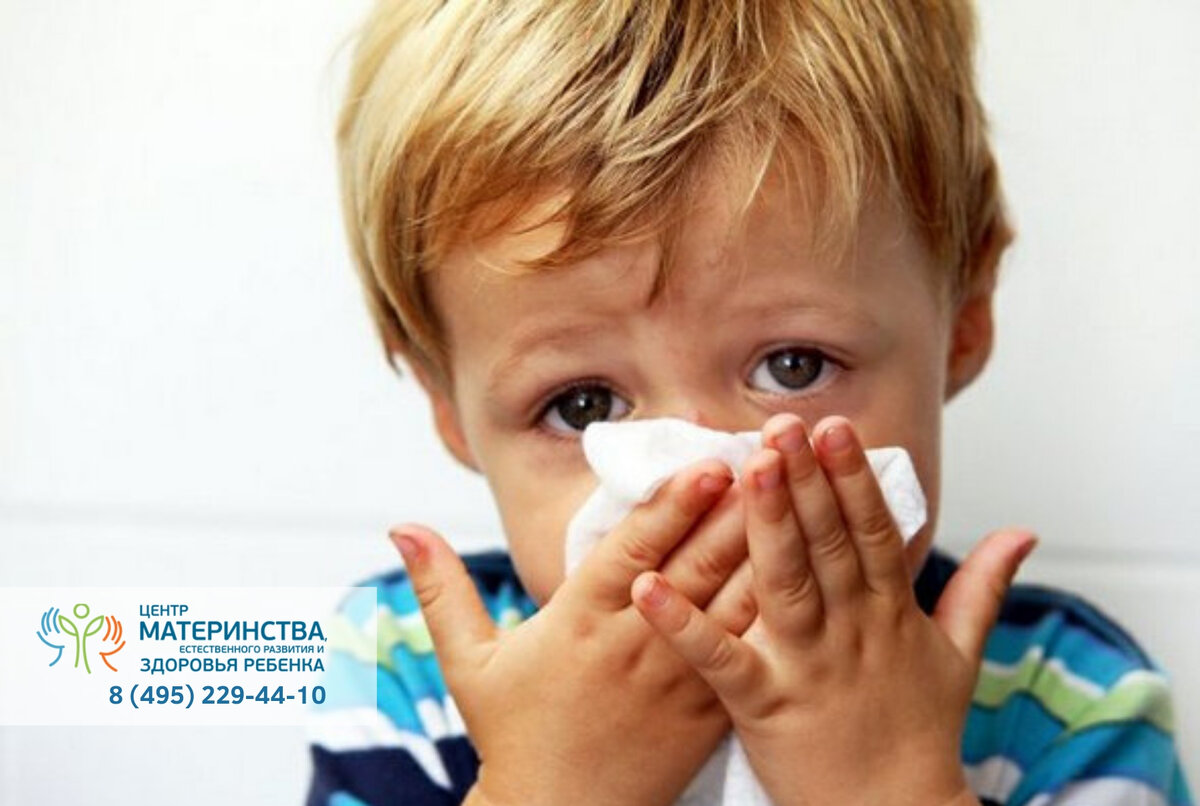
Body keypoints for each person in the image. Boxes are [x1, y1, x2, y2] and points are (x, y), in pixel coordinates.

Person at [306, 1, 1193, 804]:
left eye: (794, 368)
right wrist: (545, 789)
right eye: (582, 407)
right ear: (449, 408)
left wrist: (888, 787)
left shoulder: (1072, 704)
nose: (699, 481)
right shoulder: (392, 670)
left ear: (963, 322)